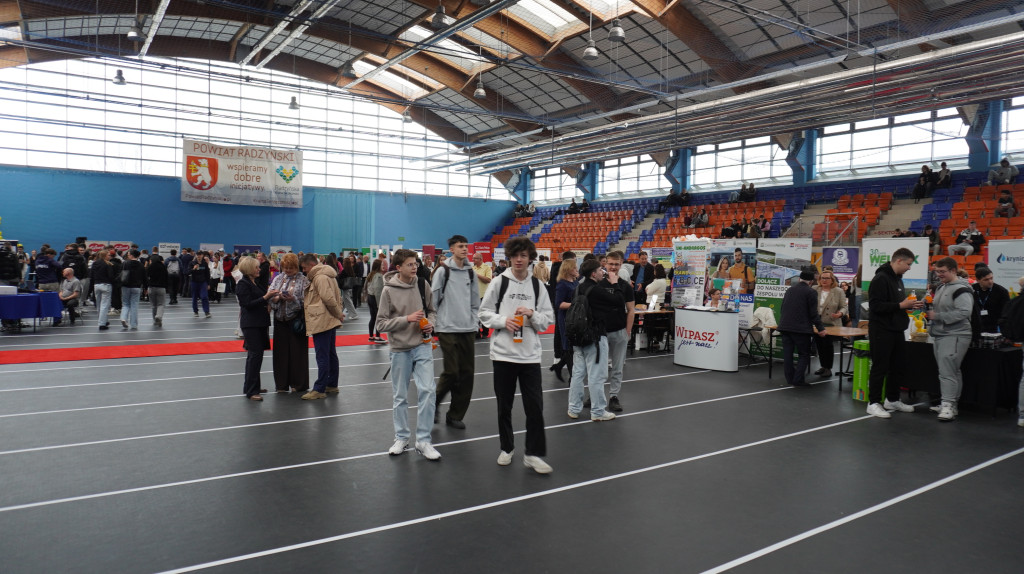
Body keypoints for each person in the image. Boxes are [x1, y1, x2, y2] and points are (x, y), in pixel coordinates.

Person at [478, 236, 555, 474]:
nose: (519, 260)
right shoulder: (499, 282)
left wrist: (531, 314)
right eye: (515, 256)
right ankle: (507, 447)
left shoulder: (537, 286)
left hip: (530, 356)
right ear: (509, 257)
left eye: (523, 256)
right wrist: (503, 321)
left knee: (535, 407)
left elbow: (547, 321)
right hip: (503, 355)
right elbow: (484, 312)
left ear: (530, 258)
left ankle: (532, 454)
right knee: (504, 406)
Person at [375, 248, 441, 460]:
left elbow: (432, 310)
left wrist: (430, 323)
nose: (415, 267)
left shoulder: (423, 284)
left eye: (416, 264)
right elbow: (381, 323)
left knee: (428, 391)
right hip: (399, 349)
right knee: (400, 396)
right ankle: (402, 437)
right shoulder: (388, 291)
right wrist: (407, 319)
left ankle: (423, 440)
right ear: (398, 267)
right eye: (410, 264)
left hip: (422, 345)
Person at [866, 248, 924, 418]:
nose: (909, 268)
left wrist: (908, 305)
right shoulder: (880, 279)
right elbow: (875, 306)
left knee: (898, 366)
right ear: (899, 261)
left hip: (896, 329)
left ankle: (892, 399)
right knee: (880, 367)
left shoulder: (898, 280)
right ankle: (873, 402)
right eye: (908, 264)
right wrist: (901, 306)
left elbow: (895, 304)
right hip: (881, 330)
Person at [431, 235, 481, 430]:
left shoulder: (470, 272)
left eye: (466, 246)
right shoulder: (443, 271)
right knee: (452, 371)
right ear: (451, 249)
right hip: (446, 327)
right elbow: (434, 298)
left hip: (467, 328)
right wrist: (433, 323)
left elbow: (475, 301)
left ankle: (455, 415)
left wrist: (474, 320)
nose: (464, 249)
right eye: (460, 246)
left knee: (467, 373)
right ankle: (433, 404)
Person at [567, 258, 621, 421]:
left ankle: (574, 408)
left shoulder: (577, 289)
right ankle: (598, 411)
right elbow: (617, 301)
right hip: (595, 337)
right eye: (600, 270)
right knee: (596, 375)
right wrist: (614, 283)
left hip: (578, 336)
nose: (602, 272)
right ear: (593, 273)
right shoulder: (596, 290)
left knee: (578, 374)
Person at [926, 257, 974, 421]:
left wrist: (937, 316)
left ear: (953, 270)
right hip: (941, 334)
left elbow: (964, 312)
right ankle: (951, 405)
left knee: (947, 372)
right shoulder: (941, 287)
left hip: (956, 334)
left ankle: (947, 405)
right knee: (951, 371)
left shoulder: (962, 290)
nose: (939, 275)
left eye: (942, 271)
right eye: (937, 271)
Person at [300, 253, 345, 400]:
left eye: (304, 268)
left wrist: (339, 313)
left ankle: (319, 389)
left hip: (322, 320)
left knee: (322, 355)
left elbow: (328, 298)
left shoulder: (319, 277)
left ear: (312, 265)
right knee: (330, 353)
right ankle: (332, 384)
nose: (304, 271)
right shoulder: (328, 275)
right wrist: (337, 314)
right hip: (328, 319)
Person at [235, 256, 278, 402]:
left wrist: (271, 299)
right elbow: (246, 304)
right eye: (256, 267)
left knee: (255, 357)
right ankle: (251, 390)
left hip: (259, 323)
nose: (259, 269)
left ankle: (252, 386)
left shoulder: (255, 283)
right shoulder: (243, 284)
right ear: (249, 269)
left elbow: (261, 299)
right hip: (251, 324)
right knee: (255, 356)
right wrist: (266, 297)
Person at [268, 253, 310, 394]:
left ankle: (298, 384)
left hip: (296, 320)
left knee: (298, 353)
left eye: (291, 268)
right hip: (280, 320)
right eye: (285, 268)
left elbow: (307, 301)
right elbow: (270, 295)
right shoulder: (278, 278)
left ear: (296, 267)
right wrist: (277, 297)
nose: (287, 271)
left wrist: (293, 299)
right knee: (280, 354)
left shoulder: (304, 280)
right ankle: (281, 384)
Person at [778, 268, 827, 387]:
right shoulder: (811, 292)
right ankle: (798, 380)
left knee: (788, 355)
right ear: (811, 282)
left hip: (785, 327)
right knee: (804, 354)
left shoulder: (790, 290)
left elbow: (782, 308)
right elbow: (813, 313)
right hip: (801, 329)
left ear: (799, 279)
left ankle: (790, 379)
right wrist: (821, 329)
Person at [603, 251, 635, 412]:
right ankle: (596, 394)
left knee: (617, 368)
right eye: (611, 264)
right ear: (605, 264)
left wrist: (627, 332)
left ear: (621, 264)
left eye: (616, 264)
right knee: (598, 368)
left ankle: (613, 396)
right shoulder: (597, 283)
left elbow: (631, 310)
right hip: (600, 332)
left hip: (619, 331)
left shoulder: (624, 286)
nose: (613, 267)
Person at [812, 270, 848, 377]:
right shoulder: (814, 289)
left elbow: (844, 307)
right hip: (817, 323)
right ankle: (823, 366)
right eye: (822, 278)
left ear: (832, 279)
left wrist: (840, 314)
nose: (824, 280)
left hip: (831, 323)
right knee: (819, 345)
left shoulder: (838, 291)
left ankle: (828, 368)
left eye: (827, 278)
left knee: (827, 345)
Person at [550, 258, 579, 382]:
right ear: (568, 269)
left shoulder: (574, 282)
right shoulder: (562, 284)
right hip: (565, 318)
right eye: (574, 267)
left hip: (573, 316)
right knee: (568, 345)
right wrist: (575, 304)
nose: (576, 269)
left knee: (571, 346)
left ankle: (559, 366)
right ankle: (572, 377)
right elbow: (558, 304)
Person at [972, 267, 1009, 333]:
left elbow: (1006, 312)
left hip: (995, 328)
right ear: (978, 280)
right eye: (986, 280)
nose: (990, 281)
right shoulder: (972, 289)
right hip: (976, 327)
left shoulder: (1001, 291)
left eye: (991, 278)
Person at [119, 249, 144, 330]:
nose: (128, 255)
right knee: (134, 305)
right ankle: (133, 324)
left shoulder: (125, 263)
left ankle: (123, 318)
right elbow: (144, 277)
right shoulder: (140, 265)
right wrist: (146, 287)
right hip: (136, 287)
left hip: (125, 286)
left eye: (129, 254)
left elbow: (121, 274)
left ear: (132, 255)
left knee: (125, 304)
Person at [91, 249, 114, 330]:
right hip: (106, 285)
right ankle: (102, 323)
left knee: (99, 305)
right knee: (104, 305)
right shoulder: (108, 264)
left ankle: (104, 320)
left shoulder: (95, 263)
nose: (110, 256)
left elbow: (92, 275)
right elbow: (111, 276)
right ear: (105, 256)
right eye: (108, 255)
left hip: (97, 285)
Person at [366, 259, 385, 343]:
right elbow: (377, 290)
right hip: (375, 298)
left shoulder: (371, 274)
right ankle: (377, 336)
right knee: (378, 318)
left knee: (373, 317)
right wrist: (379, 303)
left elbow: (365, 286)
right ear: (378, 266)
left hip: (370, 297)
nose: (383, 266)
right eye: (382, 265)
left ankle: (371, 336)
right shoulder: (379, 276)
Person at [147, 254, 168, 327]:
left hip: (151, 288)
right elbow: (167, 277)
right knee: (161, 304)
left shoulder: (150, 267)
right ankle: (158, 316)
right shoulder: (163, 267)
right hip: (161, 288)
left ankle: (154, 320)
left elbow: (146, 277)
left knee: (153, 305)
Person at [190, 251, 211, 319]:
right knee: (194, 297)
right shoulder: (192, 263)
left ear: (202, 255)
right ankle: (195, 311)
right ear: (196, 256)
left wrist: (208, 284)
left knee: (204, 297)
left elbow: (207, 274)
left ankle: (206, 312)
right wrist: (193, 269)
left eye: (200, 255)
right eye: (198, 255)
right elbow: (187, 272)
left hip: (203, 282)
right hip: (194, 282)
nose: (199, 256)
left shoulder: (204, 263)